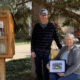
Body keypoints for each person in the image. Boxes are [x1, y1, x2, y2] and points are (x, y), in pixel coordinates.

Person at [31, 9, 62, 80]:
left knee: (46, 69)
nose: (43, 16)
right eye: (42, 15)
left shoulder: (52, 26)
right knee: (38, 70)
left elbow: (57, 38)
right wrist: (32, 50)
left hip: (47, 52)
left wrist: (61, 48)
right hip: (37, 51)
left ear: (47, 16)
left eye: (45, 15)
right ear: (40, 16)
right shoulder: (36, 26)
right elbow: (33, 39)